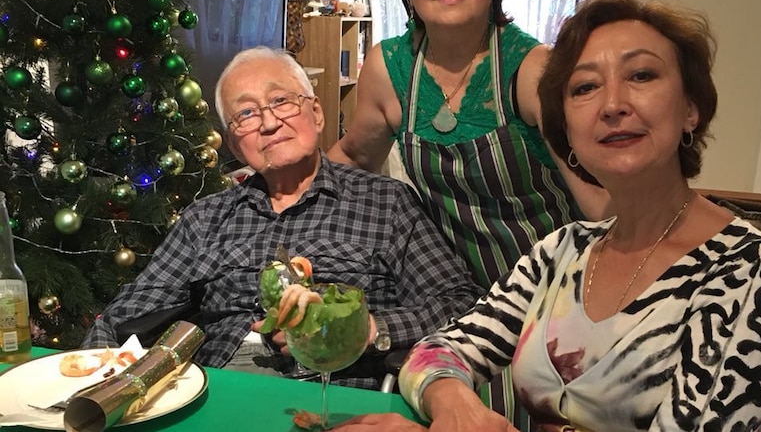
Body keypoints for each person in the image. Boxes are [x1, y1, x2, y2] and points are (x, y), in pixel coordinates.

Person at [334, 0, 761, 431]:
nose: (613, 104)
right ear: (566, 132)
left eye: (641, 75)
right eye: (584, 88)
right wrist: (458, 410)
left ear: (690, 109)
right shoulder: (563, 251)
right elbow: (435, 351)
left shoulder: (752, 271)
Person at [82, 47, 484, 390]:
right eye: (247, 114)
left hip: (336, 398)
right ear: (235, 144)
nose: (270, 123)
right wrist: (91, 385)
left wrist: (365, 329)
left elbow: (459, 303)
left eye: (280, 102)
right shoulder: (205, 219)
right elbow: (124, 316)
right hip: (222, 394)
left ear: (317, 113)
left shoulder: (386, 203)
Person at [327, 0, 610, 294]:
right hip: (448, 302)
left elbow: (601, 208)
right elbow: (353, 157)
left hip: (554, 298)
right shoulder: (389, 68)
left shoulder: (534, 71)